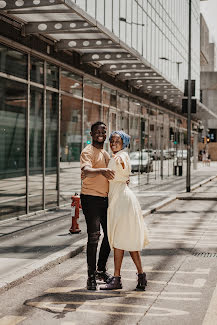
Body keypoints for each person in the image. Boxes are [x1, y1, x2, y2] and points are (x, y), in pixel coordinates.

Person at [100, 131, 149, 291]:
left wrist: (119, 162)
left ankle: (117, 278)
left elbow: (122, 162)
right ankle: (141, 276)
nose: (113, 143)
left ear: (124, 144)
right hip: (123, 198)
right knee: (129, 239)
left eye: (118, 141)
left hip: (121, 200)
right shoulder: (118, 156)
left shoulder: (121, 156)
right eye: (112, 140)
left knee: (120, 239)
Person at [80, 121, 115, 290]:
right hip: (90, 199)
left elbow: (112, 175)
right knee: (94, 237)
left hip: (104, 200)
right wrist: (101, 171)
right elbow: (86, 170)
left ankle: (101, 270)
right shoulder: (88, 151)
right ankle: (90, 277)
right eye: (97, 131)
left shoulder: (105, 153)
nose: (101, 134)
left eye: (103, 131)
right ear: (91, 134)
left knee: (111, 236)